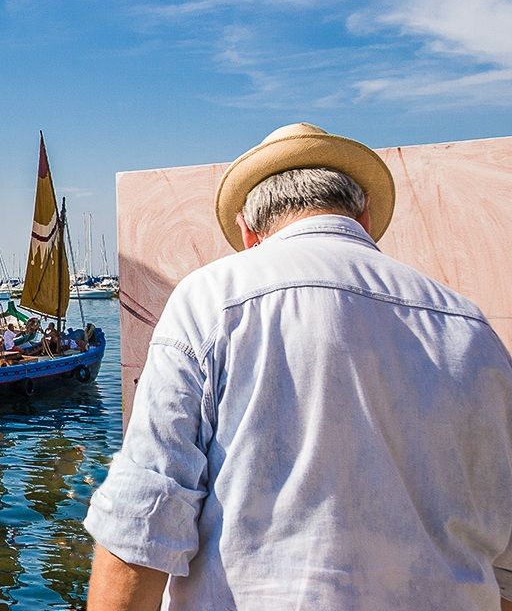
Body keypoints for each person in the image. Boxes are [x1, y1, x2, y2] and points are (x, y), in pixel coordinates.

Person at [85, 123, 512, 611]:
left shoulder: (212, 300)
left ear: (248, 230)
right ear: (365, 216)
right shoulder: (469, 324)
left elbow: (145, 518)